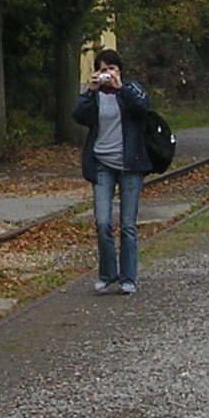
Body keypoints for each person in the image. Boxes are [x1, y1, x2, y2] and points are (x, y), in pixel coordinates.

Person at [73, 48, 152, 296]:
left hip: (130, 164)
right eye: (103, 69)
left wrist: (121, 89)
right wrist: (89, 91)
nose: (107, 74)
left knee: (128, 224)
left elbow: (143, 109)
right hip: (102, 164)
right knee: (103, 221)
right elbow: (78, 116)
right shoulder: (95, 96)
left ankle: (129, 278)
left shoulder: (130, 89)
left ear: (120, 71)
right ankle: (107, 274)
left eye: (111, 69)